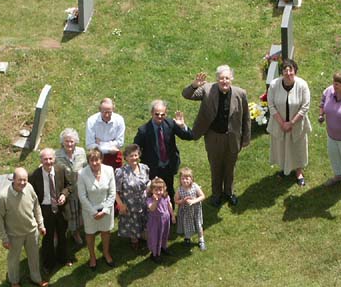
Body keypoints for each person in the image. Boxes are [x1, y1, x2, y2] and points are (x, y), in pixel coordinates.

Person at [181, 65, 251, 207]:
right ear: (217, 79)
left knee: (230, 167)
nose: (224, 81)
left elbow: (246, 118)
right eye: (221, 78)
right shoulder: (207, 89)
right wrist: (195, 85)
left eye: (227, 78)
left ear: (231, 79)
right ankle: (216, 194)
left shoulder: (240, 93)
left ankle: (229, 193)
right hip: (213, 137)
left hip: (232, 137)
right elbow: (186, 94)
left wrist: (246, 138)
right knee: (215, 166)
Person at [0, 167, 48, 287]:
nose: (23, 183)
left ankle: (36, 278)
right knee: (13, 259)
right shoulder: (3, 196)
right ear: (13, 179)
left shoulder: (29, 188)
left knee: (34, 256)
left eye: (25, 180)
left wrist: (40, 224)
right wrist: (4, 238)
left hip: (32, 231)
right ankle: (14, 281)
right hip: (14, 235)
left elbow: (36, 206)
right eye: (20, 180)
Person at [133, 99, 194, 203]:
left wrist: (182, 125)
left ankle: (169, 217)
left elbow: (189, 136)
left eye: (163, 114)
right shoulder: (143, 130)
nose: (160, 117)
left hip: (168, 166)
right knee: (153, 194)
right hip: (153, 168)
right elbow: (136, 149)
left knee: (169, 191)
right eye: (157, 114)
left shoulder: (170, 124)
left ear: (166, 113)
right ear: (152, 113)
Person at [267, 58, 312, 186]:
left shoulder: (302, 85)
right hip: (279, 124)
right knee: (280, 146)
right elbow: (271, 105)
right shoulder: (274, 85)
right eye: (285, 70)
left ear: (295, 71)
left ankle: (298, 171)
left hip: (297, 124)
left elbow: (305, 107)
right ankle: (283, 168)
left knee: (297, 147)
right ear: (281, 72)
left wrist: (291, 123)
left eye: (290, 70)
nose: (288, 73)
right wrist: (282, 123)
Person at [29, 148, 73, 272]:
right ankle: (48, 263)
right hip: (45, 210)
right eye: (45, 159)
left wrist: (64, 194)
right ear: (41, 160)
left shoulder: (61, 169)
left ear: (55, 159)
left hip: (61, 209)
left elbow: (69, 185)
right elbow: (31, 194)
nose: (48, 162)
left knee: (62, 235)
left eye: (50, 158)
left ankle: (63, 258)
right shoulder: (35, 175)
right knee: (47, 238)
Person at [77, 147, 116, 269]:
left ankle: (106, 253)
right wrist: (94, 212)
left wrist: (104, 211)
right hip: (90, 211)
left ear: (101, 159)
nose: (94, 163)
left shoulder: (109, 170)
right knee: (90, 233)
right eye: (91, 160)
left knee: (106, 231)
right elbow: (82, 196)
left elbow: (112, 193)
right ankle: (92, 256)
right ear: (88, 161)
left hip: (106, 209)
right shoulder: (82, 174)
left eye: (97, 160)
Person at [114, 143, 150, 249]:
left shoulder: (144, 168)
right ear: (126, 157)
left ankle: (143, 235)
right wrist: (121, 205)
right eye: (131, 156)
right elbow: (115, 191)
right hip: (129, 204)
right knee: (132, 223)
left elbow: (147, 183)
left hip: (143, 202)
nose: (134, 158)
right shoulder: (121, 172)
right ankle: (134, 239)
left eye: (136, 155)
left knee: (144, 221)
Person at [56, 128, 87, 246]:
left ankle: (76, 231)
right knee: (68, 212)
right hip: (65, 190)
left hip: (80, 188)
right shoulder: (56, 155)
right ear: (62, 142)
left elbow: (85, 167)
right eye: (66, 141)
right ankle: (65, 233)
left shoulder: (81, 152)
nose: (69, 144)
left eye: (71, 141)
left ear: (76, 142)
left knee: (79, 211)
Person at [85, 97, 125, 170]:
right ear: (99, 110)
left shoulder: (119, 120)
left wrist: (101, 143)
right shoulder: (91, 121)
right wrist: (109, 148)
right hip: (97, 156)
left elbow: (120, 142)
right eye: (104, 112)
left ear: (113, 109)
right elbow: (90, 145)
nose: (106, 115)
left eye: (109, 112)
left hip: (114, 156)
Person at [175, 167, 206, 250]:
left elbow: (202, 196)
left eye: (187, 178)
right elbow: (176, 201)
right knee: (186, 225)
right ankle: (187, 238)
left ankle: (201, 240)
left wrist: (194, 201)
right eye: (183, 179)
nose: (185, 181)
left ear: (191, 179)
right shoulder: (180, 190)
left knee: (198, 225)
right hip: (185, 212)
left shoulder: (195, 186)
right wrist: (183, 201)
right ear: (180, 180)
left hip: (195, 210)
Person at [146, 177, 174, 263]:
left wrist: (172, 215)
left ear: (164, 188)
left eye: (160, 189)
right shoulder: (150, 199)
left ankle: (163, 247)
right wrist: (155, 201)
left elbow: (169, 205)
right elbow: (151, 209)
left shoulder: (166, 196)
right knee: (156, 236)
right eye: (156, 190)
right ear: (151, 190)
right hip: (155, 221)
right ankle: (155, 254)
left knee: (165, 234)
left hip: (165, 219)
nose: (158, 192)